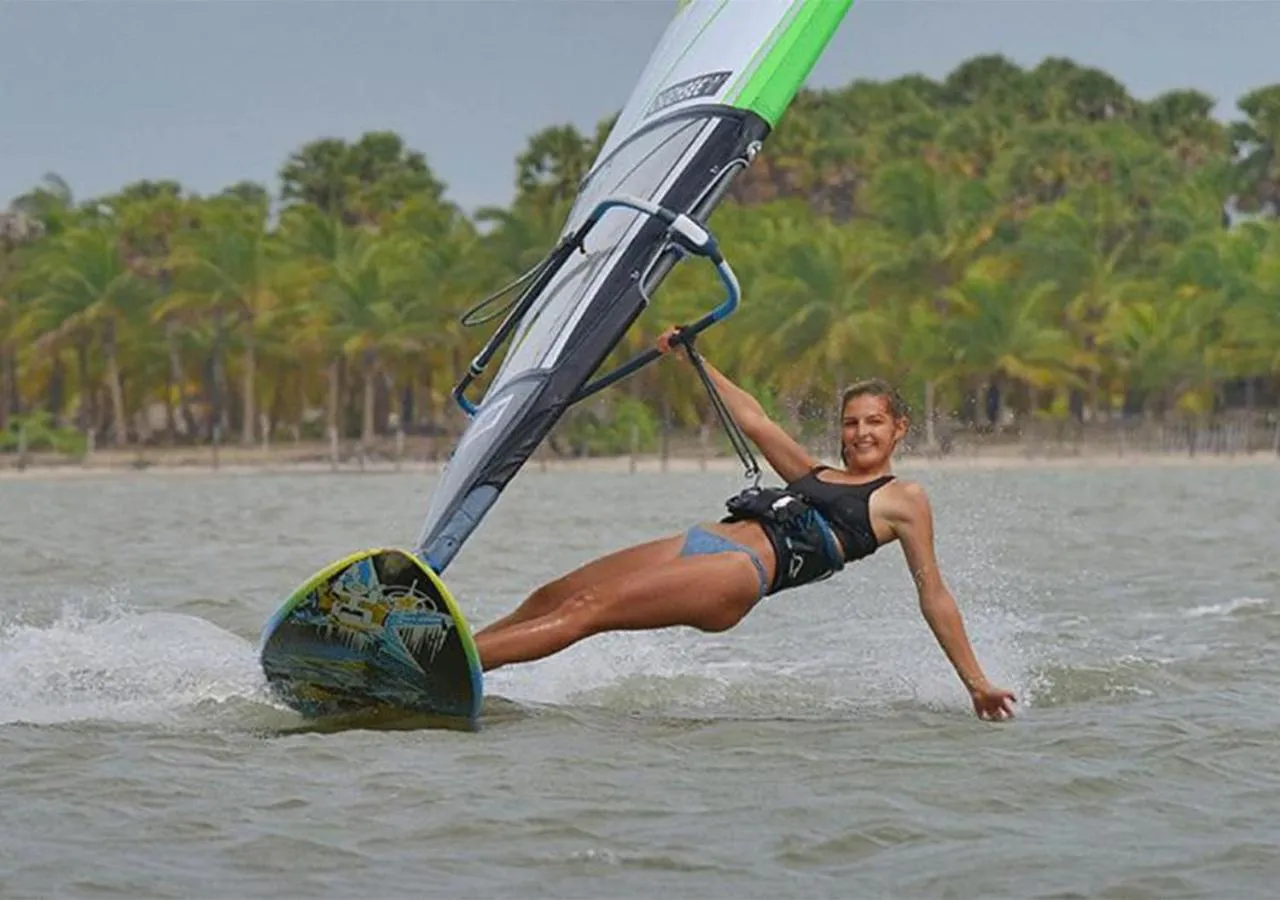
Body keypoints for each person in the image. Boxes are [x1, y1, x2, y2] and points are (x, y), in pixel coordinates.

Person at [473, 327, 1017, 721]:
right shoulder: (812, 472)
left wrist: (976, 685)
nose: (860, 433)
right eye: (851, 423)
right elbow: (754, 419)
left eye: (874, 422)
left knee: (587, 612)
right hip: (703, 541)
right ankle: (452, 647)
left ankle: (457, 666)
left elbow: (935, 595)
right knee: (556, 593)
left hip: (737, 574)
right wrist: (695, 358)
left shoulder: (904, 497)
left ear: (900, 428)